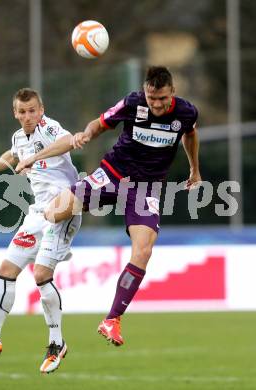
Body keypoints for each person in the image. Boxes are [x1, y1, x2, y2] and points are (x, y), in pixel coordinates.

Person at [16, 66, 201, 346]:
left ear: (172, 93)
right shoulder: (132, 103)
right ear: (145, 93)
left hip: (146, 188)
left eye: (162, 98)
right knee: (54, 212)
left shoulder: (186, 113)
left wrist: (194, 169)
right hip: (113, 174)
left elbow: (190, 134)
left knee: (143, 250)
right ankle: (65, 232)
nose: (157, 104)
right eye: (152, 99)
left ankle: (112, 319)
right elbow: (99, 122)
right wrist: (87, 135)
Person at [0, 88, 81, 373]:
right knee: (6, 270)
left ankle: (56, 343)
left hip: (63, 208)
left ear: (41, 109)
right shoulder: (18, 137)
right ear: (15, 113)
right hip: (38, 213)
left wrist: (33, 158)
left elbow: (68, 141)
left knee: (40, 274)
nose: (28, 117)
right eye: (22, 112)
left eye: (32, 111)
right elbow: (13, 155)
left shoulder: (49, 128)